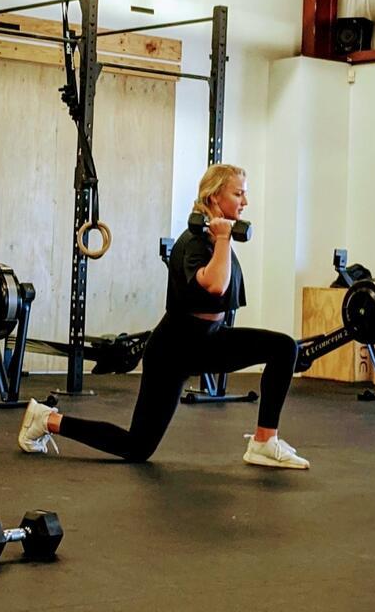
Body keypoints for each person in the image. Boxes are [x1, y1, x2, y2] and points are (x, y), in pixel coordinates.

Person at [16, 164, 307, 469]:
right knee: (137, 447)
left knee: (283, 348)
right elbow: (216, 286)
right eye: (238, 194)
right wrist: (224, 239)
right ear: (214, 197)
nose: (245, 202)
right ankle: (46, 419)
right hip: (173, 350)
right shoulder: (194, 242)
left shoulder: (214, 238)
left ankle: (264, 441)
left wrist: (222, 238)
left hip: (209, 341)